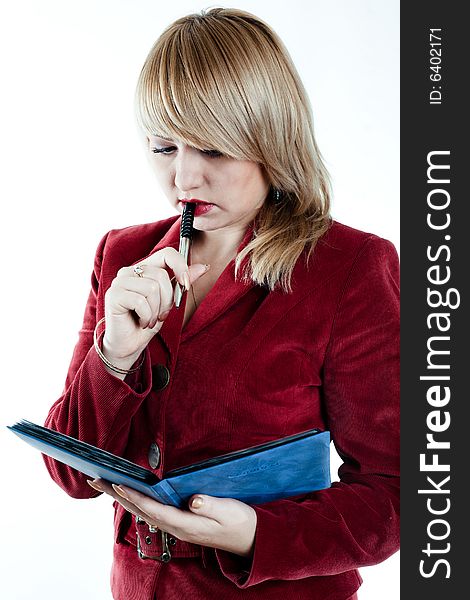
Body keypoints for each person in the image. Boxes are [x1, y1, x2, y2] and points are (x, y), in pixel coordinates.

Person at [44, 7, 399, 600]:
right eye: (163, 147)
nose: (184, 177)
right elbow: (72, 476)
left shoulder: (349, 269)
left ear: (269, 139)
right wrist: (113, 355)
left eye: (212, 150)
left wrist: (258, 534)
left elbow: (396, 494)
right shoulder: (122, 255)